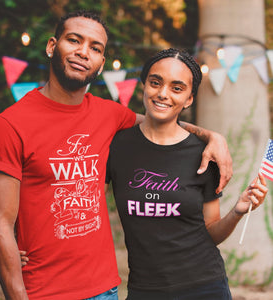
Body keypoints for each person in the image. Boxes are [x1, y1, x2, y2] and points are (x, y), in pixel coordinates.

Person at [0, 11, 232, 300]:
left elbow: (163, 121)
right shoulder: (10, 125)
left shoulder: (110, 114)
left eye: (95, 48)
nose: (83, 52)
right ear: (52, 46)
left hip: (105, 289)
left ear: (101, 63)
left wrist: (212, 136)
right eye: (74, 40)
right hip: (43, 291)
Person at [105, 48, 268, 300]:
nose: (163, 94)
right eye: (155, 82)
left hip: (204, 287)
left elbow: (211, 232)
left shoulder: (205, 154)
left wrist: (237, 211)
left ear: (190, 98)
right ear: (144, 85)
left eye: (177, 88)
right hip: (144, 289)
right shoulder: (117, 147)